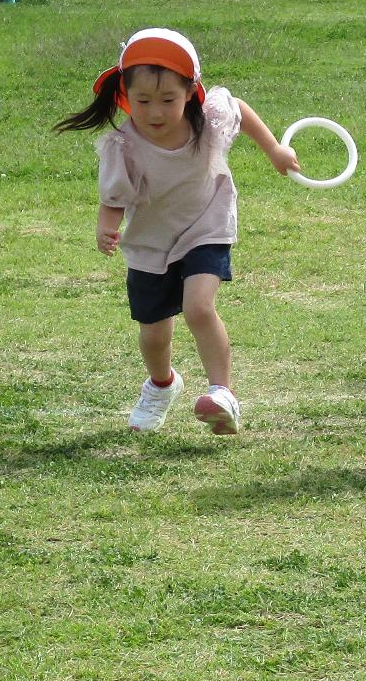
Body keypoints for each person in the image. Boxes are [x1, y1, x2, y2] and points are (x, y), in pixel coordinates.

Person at [55, 26, 299, 435]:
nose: (154, 112)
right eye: (142, 101)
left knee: (199, 307)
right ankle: (161, 384)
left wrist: (274, 148)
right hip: (151, 241)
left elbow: (238, 105)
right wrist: (106, 227)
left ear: (190, 92)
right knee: (153, 335)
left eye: (168, 100)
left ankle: (223, 394)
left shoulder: (210, 120)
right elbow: (114, 197)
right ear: (124, 96)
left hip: (207, 225)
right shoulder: (124, 145)